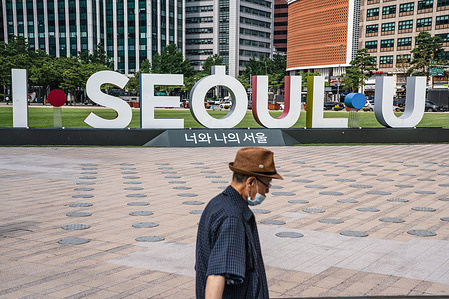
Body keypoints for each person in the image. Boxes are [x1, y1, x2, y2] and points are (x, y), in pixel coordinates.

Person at [195, 147, 283, 299]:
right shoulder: (232, 218)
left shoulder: (218, 203)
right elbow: (216, 275)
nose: (267, 191)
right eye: (267, 184)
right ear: (251, 182)